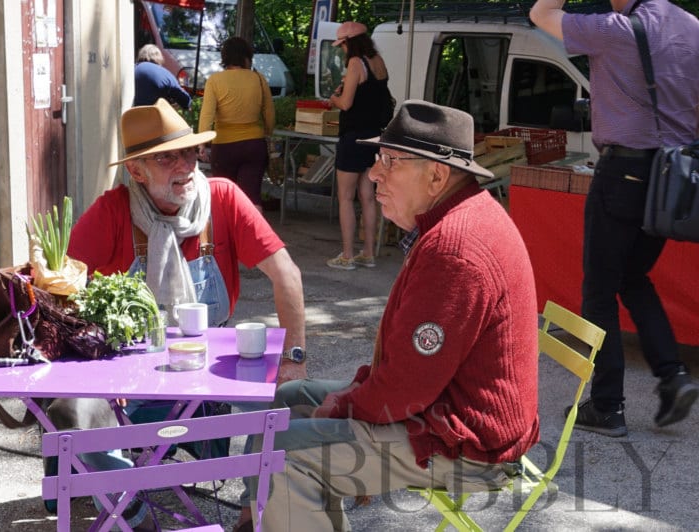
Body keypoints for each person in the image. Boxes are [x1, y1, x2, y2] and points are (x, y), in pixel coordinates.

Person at [245, 100, 540, 531]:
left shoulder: (455, 248)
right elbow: (408, 374)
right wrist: (353, 400)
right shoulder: (459, 217)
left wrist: (348, 406)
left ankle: (276, 511)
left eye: (389, 161)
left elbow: (406, 388)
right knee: (286, 400)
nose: (374, 173)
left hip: (465, 440)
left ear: (437, 175)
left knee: (279, 455)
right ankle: (262, 519)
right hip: (444, 407)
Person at [61, 98, 307, 530]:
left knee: (290, 401)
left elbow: (286, 273)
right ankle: (130, 511)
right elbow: (62, 293)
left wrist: (295, 358)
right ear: (136, 171)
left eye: (190, 151)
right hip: (132, 366)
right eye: (167, 157)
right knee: (72, 406)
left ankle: (254, 513)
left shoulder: (223, 198)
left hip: (209, 364)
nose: (186, 165)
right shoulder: (112, 211)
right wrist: (97, 370)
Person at [531, 0, 699, 437]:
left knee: (600, 288)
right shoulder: (691, 26)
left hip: (622, 172)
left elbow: (540, 14)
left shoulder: (613, 29)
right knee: (633, 276)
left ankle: (607, 405)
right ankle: (672, 373)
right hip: (671, 177)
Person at [325, 22, 391, 271]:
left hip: (353, 138)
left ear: (348, 42)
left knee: (345, 197)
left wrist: (333, 97)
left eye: (342, 45)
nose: (342, 50)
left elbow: (346, 103)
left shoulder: (355, 64)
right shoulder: (378, 62)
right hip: (374, 138)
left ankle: (348, 255)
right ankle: (369, 253)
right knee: (368, 198)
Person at [198, 36, 275, 212]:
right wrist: (268, 133)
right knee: (252, 197)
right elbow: (269, 113)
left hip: (224, 147)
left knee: (224, 198)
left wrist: (202, 142)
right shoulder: (258, 79)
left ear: (225, 57)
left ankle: (227, 237)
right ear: (247, 56)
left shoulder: (215, 81)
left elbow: (207, 114)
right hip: (254, 145)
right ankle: (254, 237)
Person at [133, 44, 191, 109]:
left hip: (128, 115)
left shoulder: (133, 69)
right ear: (159, 58)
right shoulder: (165, 74)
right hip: (153, 115)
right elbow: (185, 100)